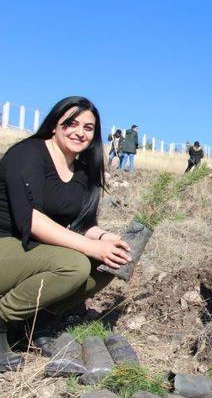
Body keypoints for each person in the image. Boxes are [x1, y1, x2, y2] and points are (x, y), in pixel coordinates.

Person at [0, 96, 131, 371]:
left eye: (88, 127)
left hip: (31, 251)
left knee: (108, 266)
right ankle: (3, 319)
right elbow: (31, 221)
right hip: (6, 243)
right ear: (54, 125)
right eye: (71, 123)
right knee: (75, 264)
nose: (79, 132)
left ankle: (32, 325)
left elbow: (83, 224)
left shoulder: (83, 171)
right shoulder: (28, 154)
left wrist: (106, 239)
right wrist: (90, 247)